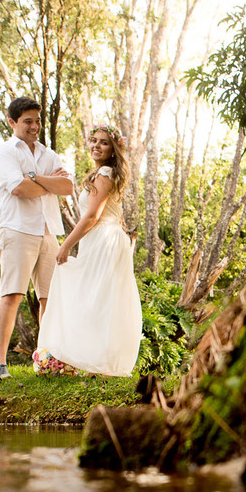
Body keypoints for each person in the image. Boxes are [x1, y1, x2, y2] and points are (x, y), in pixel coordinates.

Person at [33, 124, 142, 377]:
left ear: (113, 149)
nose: (96, 146)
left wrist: (66, 245)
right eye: (94, 140)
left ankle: (97, 361)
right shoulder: (103, 174)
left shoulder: (105, 173)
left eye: (104, 142)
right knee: (99, 299)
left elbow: (92, 215)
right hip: (101, 240)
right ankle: (91, 360)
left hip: (104, 240)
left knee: (97, 298)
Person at [0, 97, 74, 380]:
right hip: (17, 229)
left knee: (50, 298)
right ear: (12, 122)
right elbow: (19, 189)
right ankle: (0, 364)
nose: (35, 126)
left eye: (37, 121)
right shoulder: (3, 153)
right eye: (28, 121)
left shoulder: (49, 155)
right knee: (12, 294)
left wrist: (34, 177)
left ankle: (46, 361)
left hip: (48, 231)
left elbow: (67, 187)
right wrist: (48, 183)